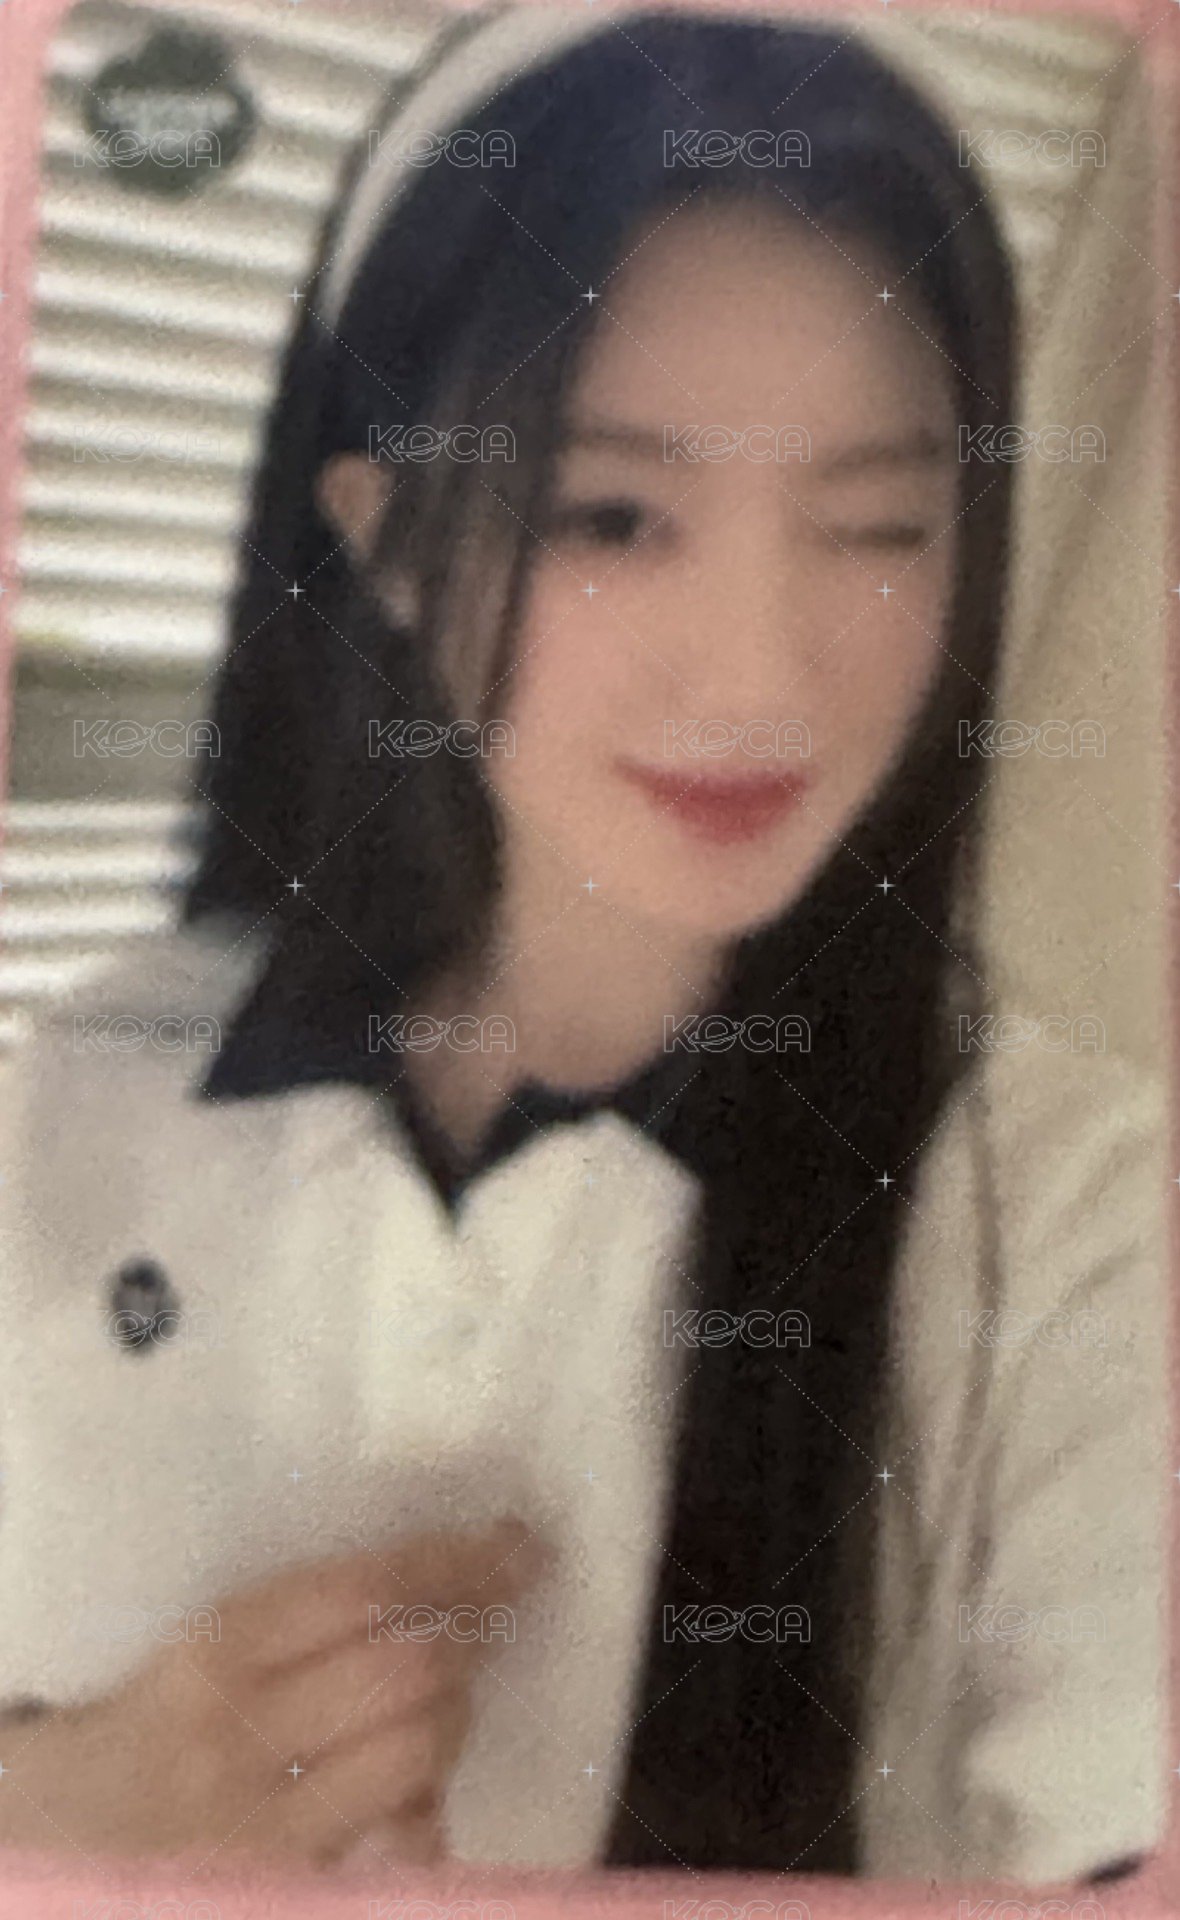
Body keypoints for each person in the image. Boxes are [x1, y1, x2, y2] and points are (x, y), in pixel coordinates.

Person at [0, 8, 1165, 1887]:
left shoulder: (1073, 1225)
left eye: (879, 524)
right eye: (614, 515)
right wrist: (58, 1805)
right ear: (386, 541)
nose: (762, 672)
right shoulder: (81, 1089)